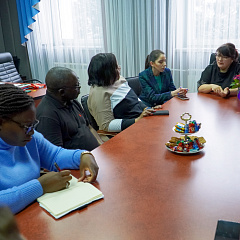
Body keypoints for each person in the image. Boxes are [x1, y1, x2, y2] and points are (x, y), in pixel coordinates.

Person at [0, 84, 99, 214]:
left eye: (33, 125)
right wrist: (40, 186)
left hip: (34, 213)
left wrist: (83, 156)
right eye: (26, 126)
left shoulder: (30, 138)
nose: (31, 132)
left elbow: (54, 155)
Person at [36, 67, 101, 151]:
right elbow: (56, 155)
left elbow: (88, 127)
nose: (79, 89)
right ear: (62, 92)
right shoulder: (47, 116)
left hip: (95, 154)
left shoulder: (72, 102)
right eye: (76, 86)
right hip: (79, 162)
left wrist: (101, 146)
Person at [87, 53, 155, 132]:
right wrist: (136, 120)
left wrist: (146, 108)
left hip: (141, 121)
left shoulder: (118, 80)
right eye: (116, 67)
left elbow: (134, 99)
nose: (119, 68)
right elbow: (106, 125)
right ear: (107, 72)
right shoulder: (98, 94)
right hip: (128, 130)